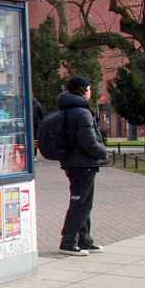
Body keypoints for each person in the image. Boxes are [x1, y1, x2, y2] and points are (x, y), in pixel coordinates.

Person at [56, 76, 109, 256]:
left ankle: (85, 240)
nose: (90, 91)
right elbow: (88, 141)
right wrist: (103, 151)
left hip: (76, 163)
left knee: (84, 203)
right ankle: (68, 242)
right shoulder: (81, 112)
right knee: (80, 204)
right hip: (82, 163)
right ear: (82, 90)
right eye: (89, 88)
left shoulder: (71, 109)